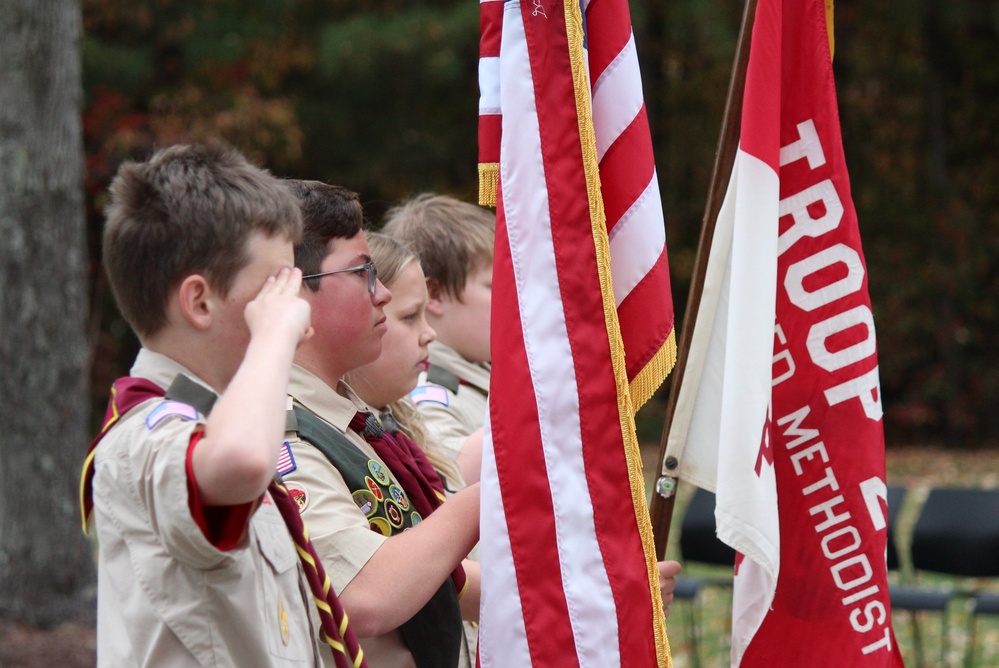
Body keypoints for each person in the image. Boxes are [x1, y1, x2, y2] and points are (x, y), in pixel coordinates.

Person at [83, 143, 361, 667]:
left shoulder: (226, 419)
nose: (297, 313)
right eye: (276, 289)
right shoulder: (146, 434)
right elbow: (239, 463)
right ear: (200, 301)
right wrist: (273, 336)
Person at [279, 181, 480, 668]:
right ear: (291, 291)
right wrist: (490, 496)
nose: (383, 294)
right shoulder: (283, 432)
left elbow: (439, 581)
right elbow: (363, 595)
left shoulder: (354, 422)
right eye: (362, 272)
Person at [381, 194, 493, 485]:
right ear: (436, 295)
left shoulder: (480, 369)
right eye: (493, 285)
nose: (515, 298)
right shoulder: (425, 395)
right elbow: (453, 484)